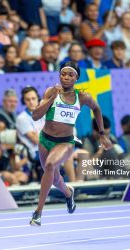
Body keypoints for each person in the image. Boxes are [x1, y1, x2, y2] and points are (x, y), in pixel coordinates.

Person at [29, 61, 112, 226]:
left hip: (65, 142)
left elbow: (96, 109)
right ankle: (68, 193)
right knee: (55, 179)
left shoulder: (82, 97)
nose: (66, 78)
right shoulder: (51, 91)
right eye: (63, 74)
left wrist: (102, 134)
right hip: (45, 140)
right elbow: (35, 116)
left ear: (77, 78)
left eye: (70, 75)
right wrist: (52, 98)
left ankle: (38, 213)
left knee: (51, 165)